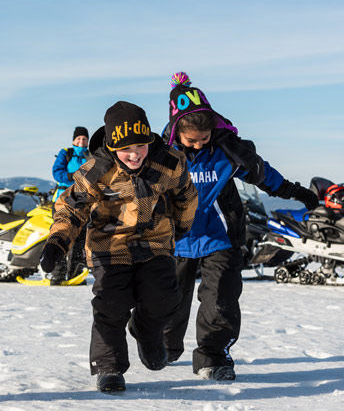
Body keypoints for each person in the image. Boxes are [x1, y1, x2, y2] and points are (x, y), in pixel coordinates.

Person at [162, 72, 319, 381]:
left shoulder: (228, 151)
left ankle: (212, 356)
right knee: (169, 297)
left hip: (222, 236)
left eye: (204, 139)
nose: (197, 145)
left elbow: (263, 175)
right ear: (176, 131)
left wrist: (297, 192)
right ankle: (164, 344)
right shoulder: (163, 156)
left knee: (220, 297)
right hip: (178, 239)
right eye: (191, 140)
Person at [40, 101, 198, 392]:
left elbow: (186, 195)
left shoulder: (169, 162)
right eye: (126, 149)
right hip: (109, 247)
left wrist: (182, 225)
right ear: (112, 147)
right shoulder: (95, 170)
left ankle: (146, 333)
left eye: (141, 145)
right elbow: (71, 209)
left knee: (164, 297)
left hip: (155, 243)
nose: (135, 154)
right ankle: (109, 366)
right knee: (110, 305)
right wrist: (57, 242)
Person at [49, 126, 91, 284]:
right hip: (63, 200)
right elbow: (56, 172)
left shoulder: (90, 155)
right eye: (79, 138)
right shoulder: (65, 153)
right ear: (74, 140)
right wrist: (75, 176)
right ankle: (57, 274)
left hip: (83, 202)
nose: (81, 141)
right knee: (61, 235)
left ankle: (75, 273)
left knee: (80, 239)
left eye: (84, 139)